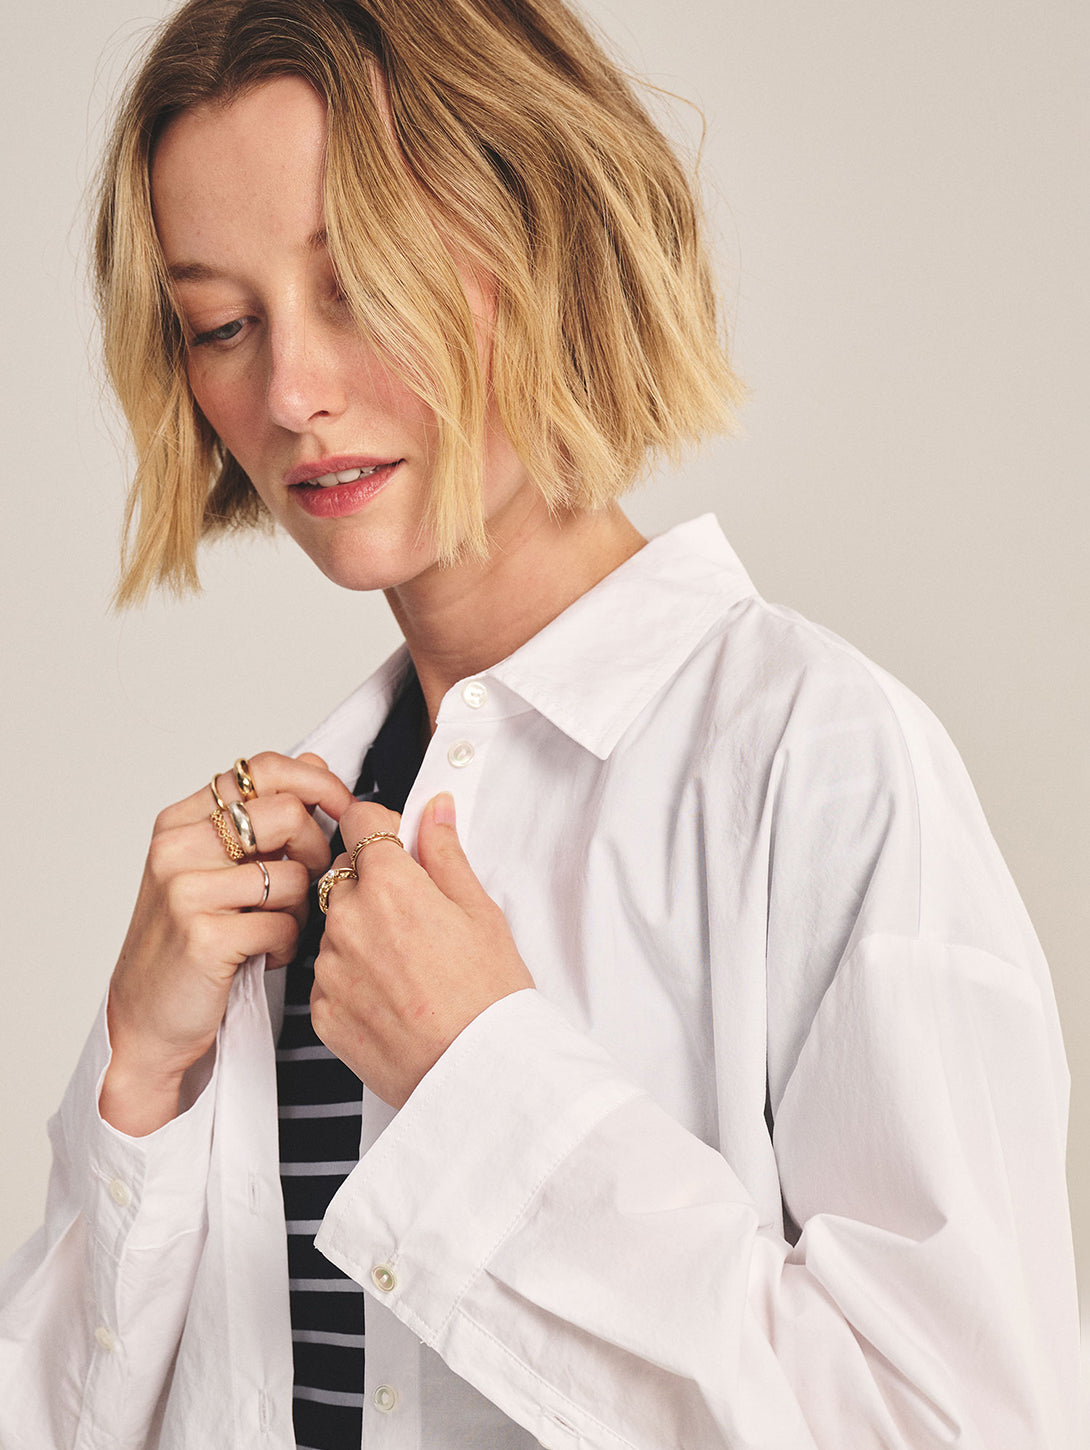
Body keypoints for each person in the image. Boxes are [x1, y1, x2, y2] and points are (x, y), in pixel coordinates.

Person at [0, 0, 1081, 1445]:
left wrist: (481, 1081)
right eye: (223, 325)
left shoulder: (815, 766)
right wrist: (140, 1079)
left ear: (544, 242)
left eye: (360, 283)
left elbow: (965, 1422)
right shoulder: (282, 850)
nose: (293, 393)